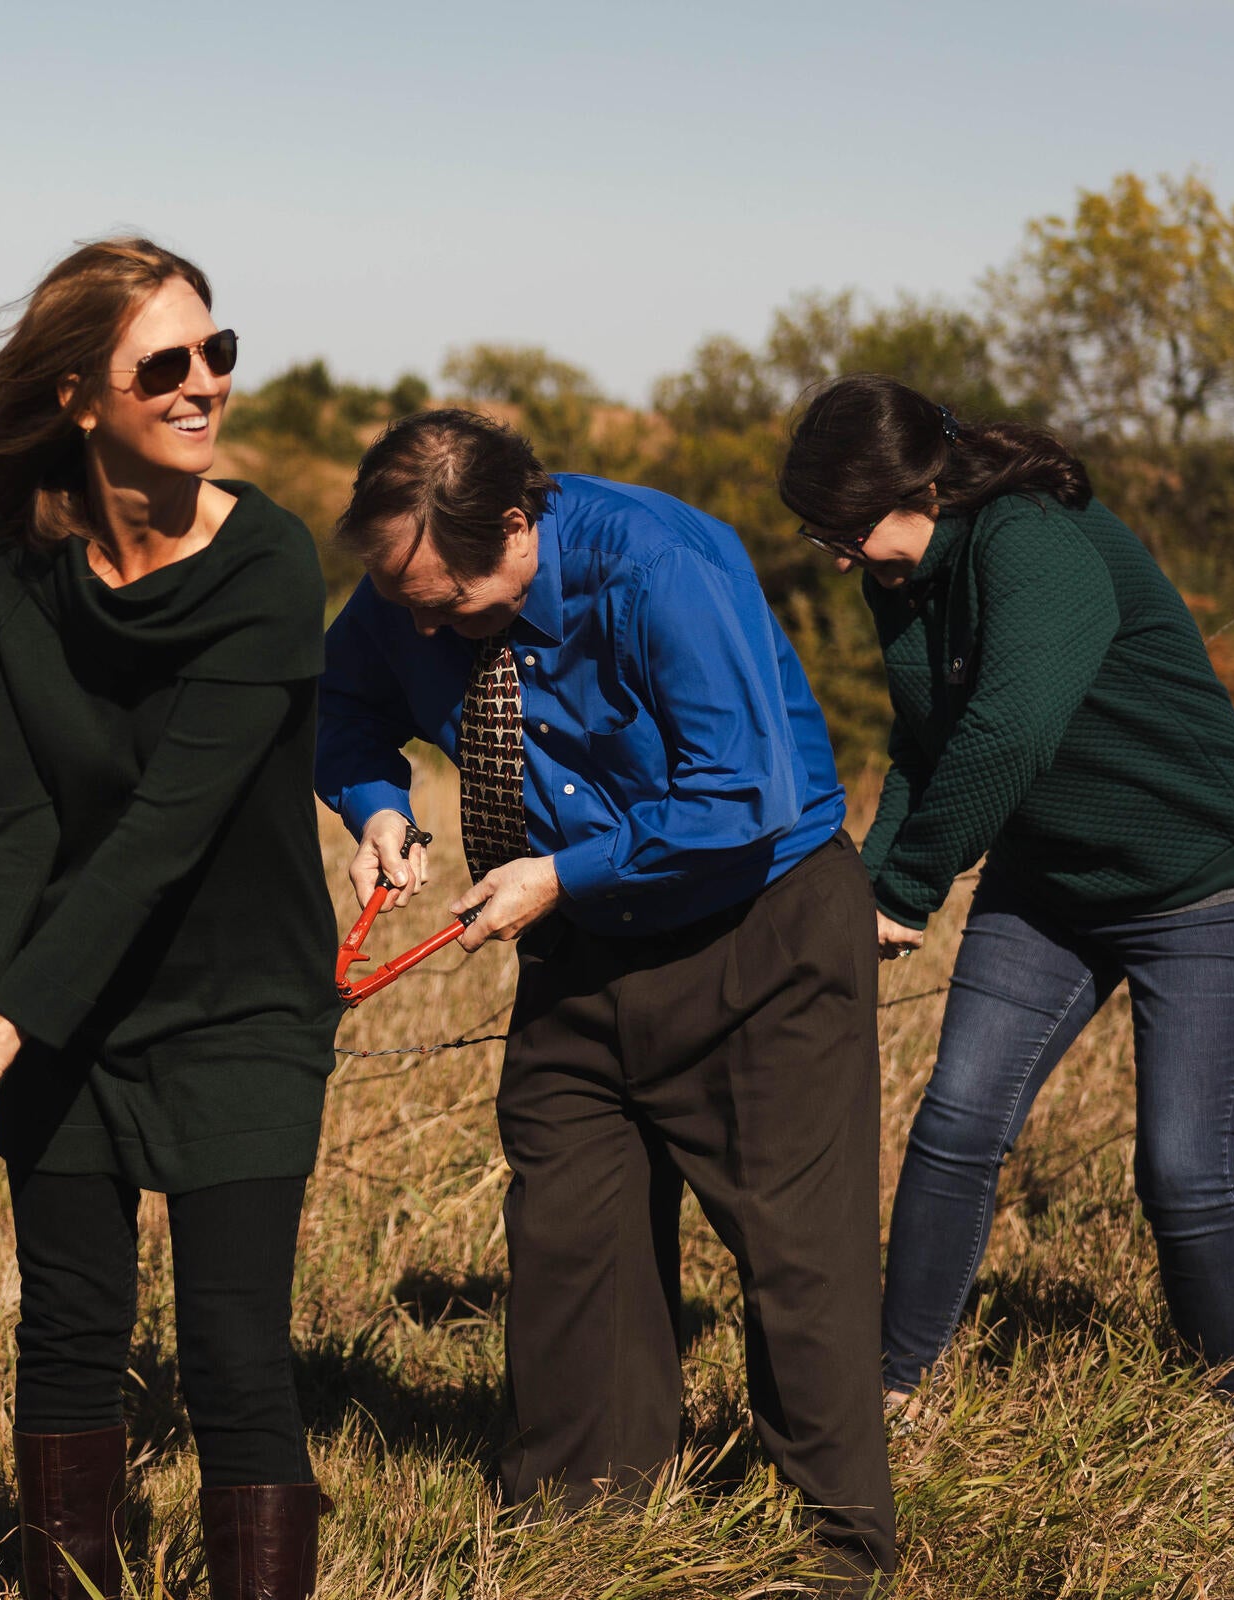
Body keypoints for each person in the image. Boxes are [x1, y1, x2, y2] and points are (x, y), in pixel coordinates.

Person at [0, 239, 339, 1600]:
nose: (203, 385)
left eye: (215, 353)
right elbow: (21, 822)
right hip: (72, 1003)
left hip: (241, 1005)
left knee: (234, 1357)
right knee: (65, 1335)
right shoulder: (16, 568)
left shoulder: (272, 565)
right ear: (77, 398)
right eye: (163, 364)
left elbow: (160, 840)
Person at [316, 410, 895, 1590]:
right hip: (581, 945)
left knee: (797, 1253)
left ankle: (836, 1548)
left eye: (447, 600)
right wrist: (378, 805)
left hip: (757, 930)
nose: (421, 623)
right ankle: (586, 1531)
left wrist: (560, 872)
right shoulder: (407, 584)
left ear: (518, 529)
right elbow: (347, 710)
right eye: (404, 598)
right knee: (570, 1227)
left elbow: (740, 794)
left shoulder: (660, 565)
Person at [780, 373, 1234, 1442]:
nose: (835, 556)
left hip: (1200, 889)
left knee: (1181, 1168)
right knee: (958, 1122)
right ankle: (893, 1388)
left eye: (844, 530)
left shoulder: (1035, 542)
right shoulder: (904, 573)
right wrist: (873, 887)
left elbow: (1009, 730)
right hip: (1046, 888)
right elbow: (924, 743)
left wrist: (915, 883)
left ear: (917, 487)